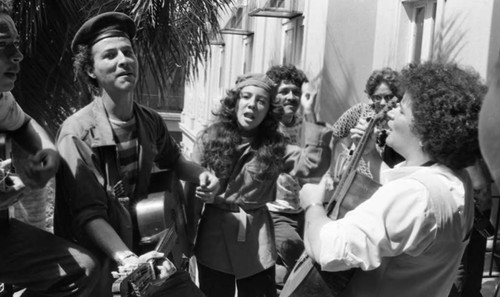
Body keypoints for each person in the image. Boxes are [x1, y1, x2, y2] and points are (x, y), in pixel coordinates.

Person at [54, 12, 220, 296]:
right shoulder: (76, 134)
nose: (123, 60)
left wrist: (203, 175)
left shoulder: (150, 120)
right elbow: (88, 215)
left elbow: (175, 161)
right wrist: (129, 260)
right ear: (91, 71)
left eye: (128, 52)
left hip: (147, 251)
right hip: (102, 264)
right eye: (109, 55)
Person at [299, 62, 486, 297]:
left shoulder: (415, 195)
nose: (391, 111)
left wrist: (312, 205)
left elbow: (330, 250)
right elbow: (399, 190)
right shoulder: (456, 182)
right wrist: (369, 155)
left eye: (402, 110)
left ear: (425, 129)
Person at [186, 73, 331, 297]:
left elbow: (312, 165)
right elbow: (191, 196)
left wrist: (310, 114)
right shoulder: (208, 138)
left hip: (257, 237)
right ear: (235, 102)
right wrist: (187, 241)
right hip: (214, 235)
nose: (252, 104)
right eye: (246, 97)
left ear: (268, 111)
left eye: (261, 101)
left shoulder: (274, 146)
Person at [0, 1, 100, 296]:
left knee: (83, 269)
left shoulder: (2, 98)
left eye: (16, 45)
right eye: (3, 45)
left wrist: (48, 152)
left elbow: (23, 123)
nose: (17, 56)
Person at [264, 64, 317, 288]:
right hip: (274, 212)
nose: (291, 96)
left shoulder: (304, 123)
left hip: (300, 210)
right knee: (304, 262)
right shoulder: (265, 126)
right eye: (284, 91)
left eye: (296, 91)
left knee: (289, 271)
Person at [327, 67, 403, 183]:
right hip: (355, 181)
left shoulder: (401, 119)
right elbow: (332, 136)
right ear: (370, 97)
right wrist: (328, 173)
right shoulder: (360, 111)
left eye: (388, 97)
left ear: (396, 96)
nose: (382, 103)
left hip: (386, 182)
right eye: (377, 97)